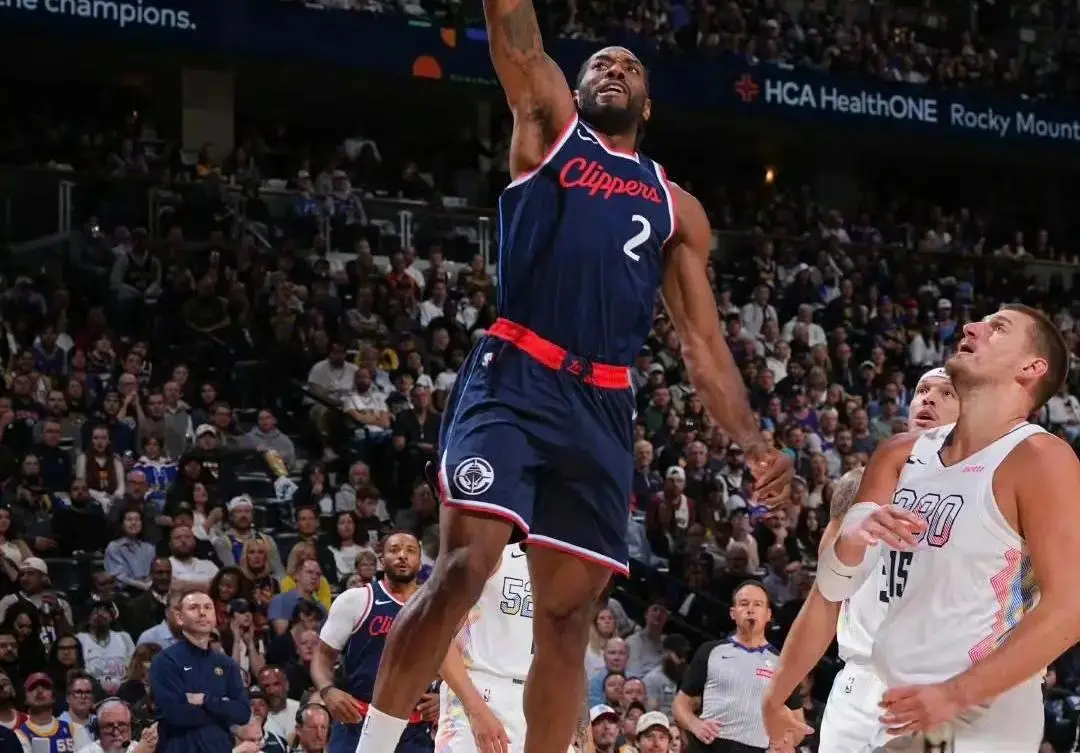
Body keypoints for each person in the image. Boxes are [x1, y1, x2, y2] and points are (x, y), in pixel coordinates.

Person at [355, 5, 794, 752]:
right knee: (464, 566)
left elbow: (703, 342)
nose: (613, 69)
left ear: (647, 106)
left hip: (602, 403)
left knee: (565, 622)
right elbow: (516, 32)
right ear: (577, 85)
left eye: (630, 66)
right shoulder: (551, 126)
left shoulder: (677, 208)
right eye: (600, 63)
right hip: (517, 372)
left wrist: (752, 441)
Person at [773, 304, 1080, 752]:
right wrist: (850, 542)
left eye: (997, 328)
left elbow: (1070, 608)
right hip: (891, 698)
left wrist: (955, 695)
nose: (970, 328)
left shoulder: (1040, 458)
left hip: (983, 709)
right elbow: (834, 587)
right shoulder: (899, 454)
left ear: (1032, 368)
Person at [762, 368, 959, 752]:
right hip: (860, 688)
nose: (929, 398)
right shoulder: (861, 486)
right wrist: (777, 693)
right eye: (922, 390)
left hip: (937, 688)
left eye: (946, 393)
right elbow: (824, 599)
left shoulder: (990, 490)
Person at [311, 532, 434, 753]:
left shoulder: (434, 608)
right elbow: (322, 655)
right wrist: (327, 691)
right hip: (357, 720)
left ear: (419, 561)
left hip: (413, 729)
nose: (402, 555)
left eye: (410, 551)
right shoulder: (356, 600)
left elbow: (458, 661)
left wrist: (445, 698)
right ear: (381, 560)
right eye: (394, 550)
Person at [673, 581, 802, 753]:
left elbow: (798, 723)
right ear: (733, 613)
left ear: (768, 614)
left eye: (758, 604)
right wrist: (695, 724)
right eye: (744, 604)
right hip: (709, 747)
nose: (750, 610)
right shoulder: (710, 651)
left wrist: (786, 742)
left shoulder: (781, 664)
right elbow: (680, 704)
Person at [434, 543, 533, 753]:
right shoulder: (494, 555)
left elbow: (573, 664)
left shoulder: (568, 575)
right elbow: (438, 635)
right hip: (481, 689)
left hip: (540, 702)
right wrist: (477, 710)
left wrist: (584, 735)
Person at [149, 587, 250, 753]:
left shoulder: (227, 664)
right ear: (179, 618)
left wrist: (204, 700)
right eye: (194, 608)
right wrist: (223, 707)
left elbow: (242, 712)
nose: (202, 613)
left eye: (208, 607)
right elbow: (175, 714)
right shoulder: (166, 661)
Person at [15, 672, 91, 753]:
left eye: (45, 687)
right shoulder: (18, 736)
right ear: (25, 698)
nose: (39, 690)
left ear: (53, 697)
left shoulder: (75, 730)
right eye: (33, 688)